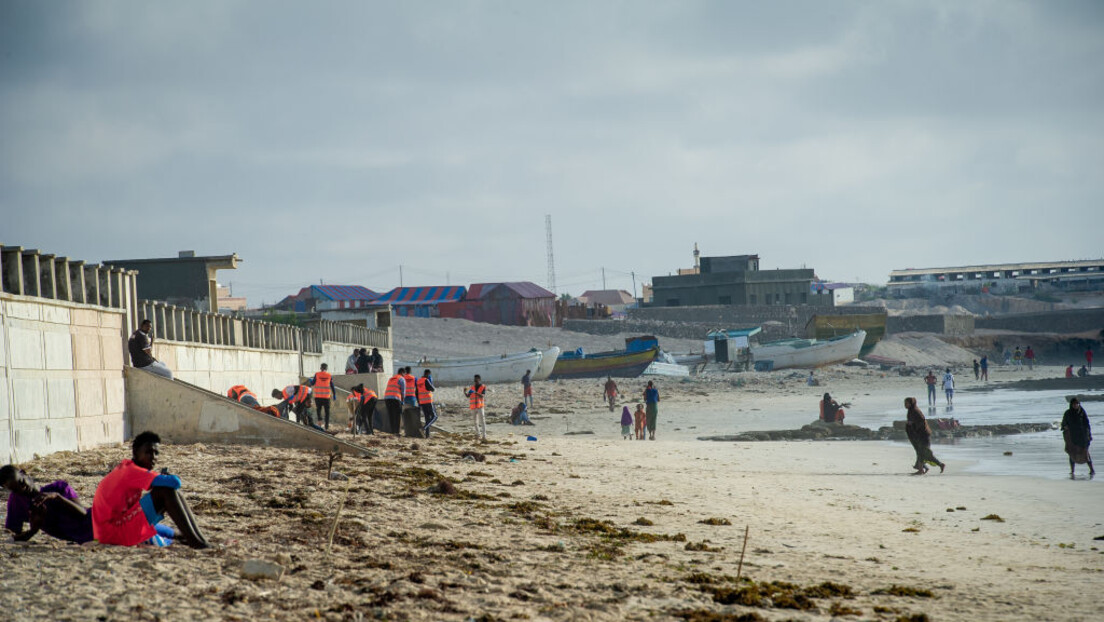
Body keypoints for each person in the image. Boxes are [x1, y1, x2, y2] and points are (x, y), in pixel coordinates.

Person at [92, 431, 210, 548]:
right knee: (166, 491)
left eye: (156, 453)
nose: (153, 457)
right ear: (135, 453)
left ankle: (197, 539)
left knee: (170, 493)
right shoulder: (131, 471)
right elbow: (175, 482)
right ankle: (197, 541)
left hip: (111, 529)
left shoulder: (128, 467)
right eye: (148, 452)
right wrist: (166, 477)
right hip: (113, 533)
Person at [1, 466, 94, 544]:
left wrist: (58, 497)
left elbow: (83, 513)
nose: (22, 489)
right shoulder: (17, 502)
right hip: (83, 539)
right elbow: (13, 537)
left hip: (95, 524)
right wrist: (33, 530)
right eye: (15, 490)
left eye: (22, 482)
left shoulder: (59, 487)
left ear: (24, 473)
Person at [904, 397, 945, 474]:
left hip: (923, 435)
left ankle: (921, 469)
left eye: (907, 403)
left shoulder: (915, 411)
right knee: (921, 452)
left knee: (923, 452)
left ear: (911, 403)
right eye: (905, 403)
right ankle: (924, 467)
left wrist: (913, 424)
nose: (905, 405)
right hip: (918, 435)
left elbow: (922, 420)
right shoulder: (911, 411)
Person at [1060, 397, 1094, 477]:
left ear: (1079, 404)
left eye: (1077, 404)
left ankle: (1092, 469)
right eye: (1074, 404)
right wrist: (1065, 426)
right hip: (1072, 437)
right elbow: (1064, 423)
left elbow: (1087, 424)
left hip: (1082, 436)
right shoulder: (1068, 413)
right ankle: (1072, 471)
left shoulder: (1082, 412)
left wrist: (1089, 434)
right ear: (1071, 405)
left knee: (1086, 453)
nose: (1075, 405)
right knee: (1072, 454)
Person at [309, 363, 334, 430]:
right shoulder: (329, 375)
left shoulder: (317, 374)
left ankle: (320, 424)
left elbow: (312, 383)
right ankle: (326, 426)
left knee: (318, 410)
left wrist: (310, 381)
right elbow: (332, 386)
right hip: (326, 397)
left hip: (318, 397)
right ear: (326, 368)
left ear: (321, 368)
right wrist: (334, 394)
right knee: (327, 412)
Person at [464, 374, 488, 441]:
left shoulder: (483, 387)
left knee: (482, 421)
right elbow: (468, 396)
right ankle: (478, 434)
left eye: (477, 380)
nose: (475, 381)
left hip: (480, 407)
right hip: (473, 407)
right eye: (475, 380)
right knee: (475, 422)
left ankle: (484, 435)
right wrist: (464, 392)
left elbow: (482, 396)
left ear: (479, 380)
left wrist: (476, 392)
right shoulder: (472, 387)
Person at [416, 369, 438, 437]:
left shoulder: (419, 381)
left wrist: (419, 402)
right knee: (434, 416)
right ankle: (424, 428)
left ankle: (427, 436)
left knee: (427, 418)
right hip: (428, 401)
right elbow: (433, 389)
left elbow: (416, 392)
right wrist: (431, 383)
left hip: (422, 402)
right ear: (428, 374)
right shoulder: (426, 380)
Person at [383, 369, 406, 435]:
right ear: (402, 373)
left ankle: (392, 431)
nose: (404, 376)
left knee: (391, 415)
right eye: (404, 374)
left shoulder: (391, 379)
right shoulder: (401, 379)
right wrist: (403, 401)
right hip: (395, 399)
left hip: (387, 398)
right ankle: (397, 432)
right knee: (397, 416)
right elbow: (403, 392)